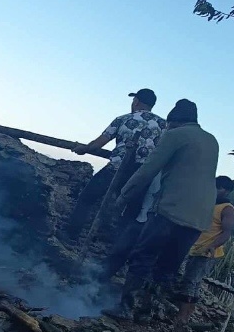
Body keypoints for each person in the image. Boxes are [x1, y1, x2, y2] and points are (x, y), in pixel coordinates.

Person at [102, 99, 219, 320]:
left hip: (171, 209)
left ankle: (125, 308)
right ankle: (146, 312)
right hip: (199, 217)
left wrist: (123, 196)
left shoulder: (175, 134)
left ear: (173, 121)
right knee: (167, 267)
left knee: (143, 256)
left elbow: (148, 169)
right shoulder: (211, 140)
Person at [67, 88, 167, 240]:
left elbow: (98, 143)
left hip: (116, 168)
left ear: (136, 101)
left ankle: (71, 234)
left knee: (88, 197)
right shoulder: (163, 125)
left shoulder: (123, 119)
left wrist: (84, 149)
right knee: (131, 212)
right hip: (142, 174)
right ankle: (118, 246)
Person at [171, 176, 234, 323]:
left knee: (190, 281)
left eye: (219, 188)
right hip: (195, 248)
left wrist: (212, 246)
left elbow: (226, 233)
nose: (215, 190)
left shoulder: (227, 209)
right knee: (192, 282)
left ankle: (182, 316)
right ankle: (187, 314)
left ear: (227, 191)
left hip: (207, 252)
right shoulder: (209, 203)